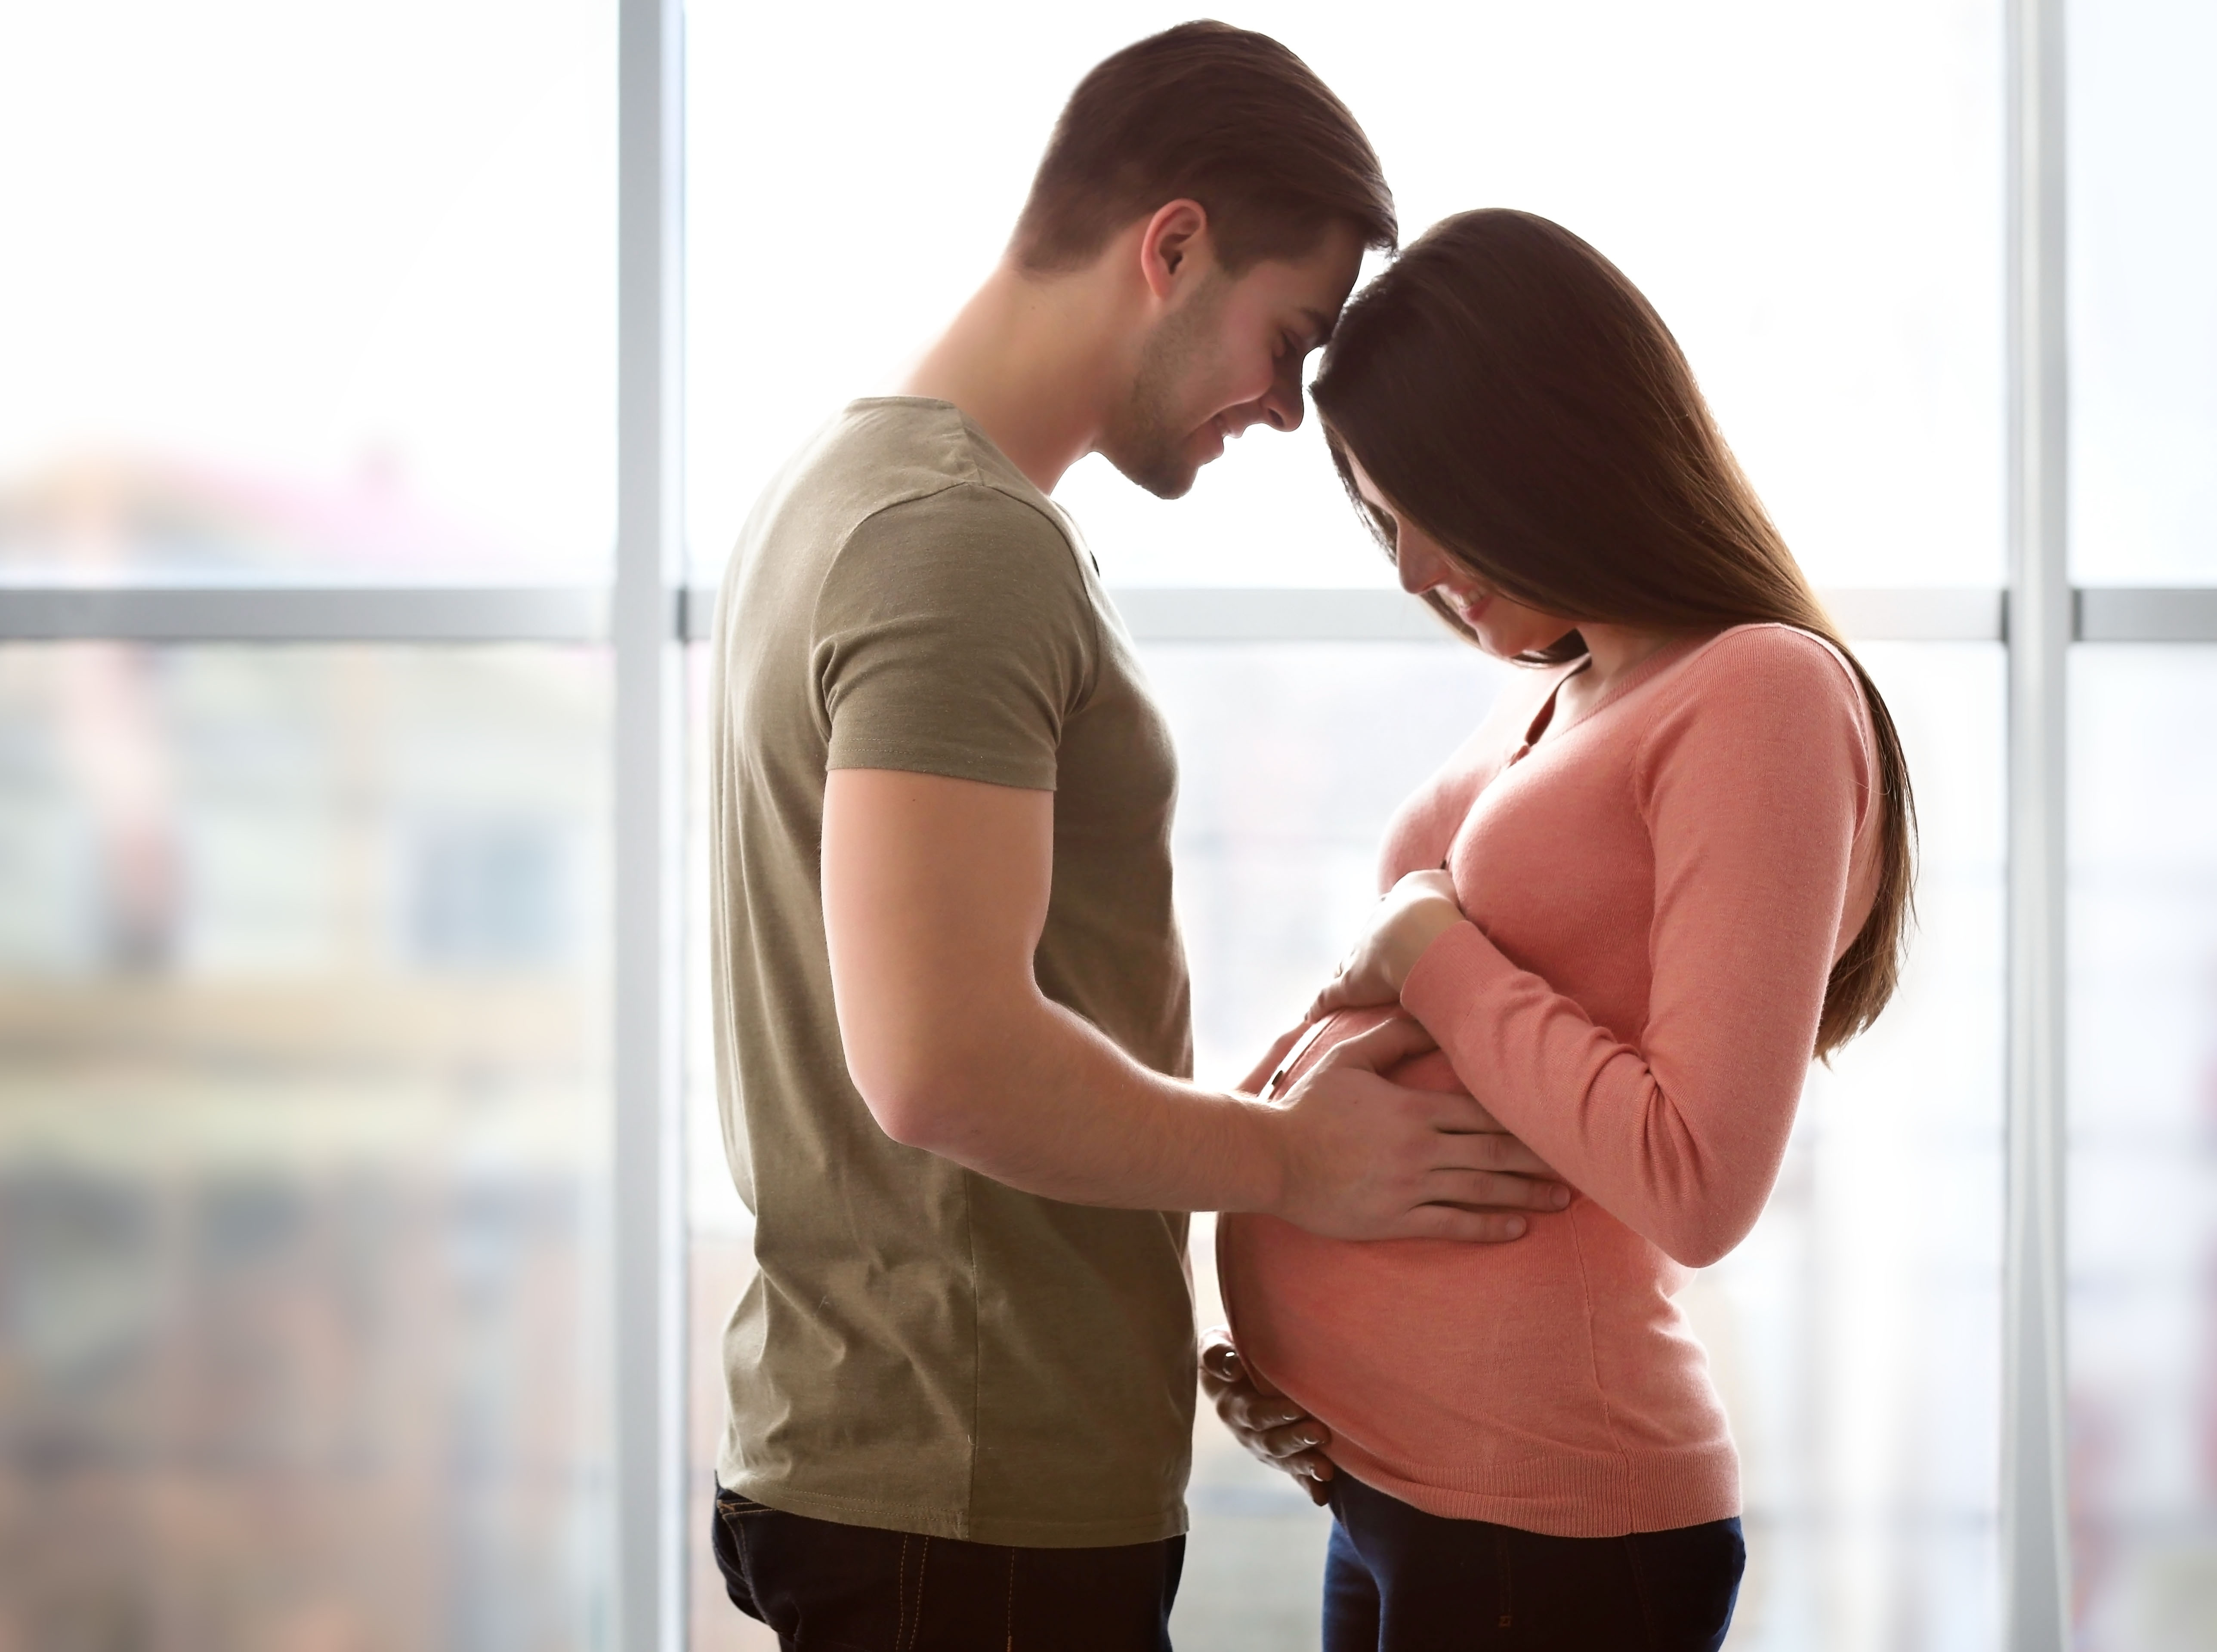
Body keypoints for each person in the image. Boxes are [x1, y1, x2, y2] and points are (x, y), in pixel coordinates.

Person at [704, 29, 1567, 1651]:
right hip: (966, 1500)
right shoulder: (957, 545)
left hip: (930, 1475)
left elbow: (987, 1021)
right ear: (1170, 250)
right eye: (1288, 336)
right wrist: (1299, 1165)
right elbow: (940, 1063)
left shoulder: (857, 495)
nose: (1292, 407)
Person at [1207, 209, 1918, 1650]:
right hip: (1395, 1487)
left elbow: (1696, 1178)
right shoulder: (1559, 691)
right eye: (1375, 513)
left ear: (1543, 450)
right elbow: (1416, 1040)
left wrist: (1427, 944)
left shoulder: (1760, 692)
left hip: (1548, 1526)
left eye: (1426, 505)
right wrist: (1283, 1292)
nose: (1408, 568)